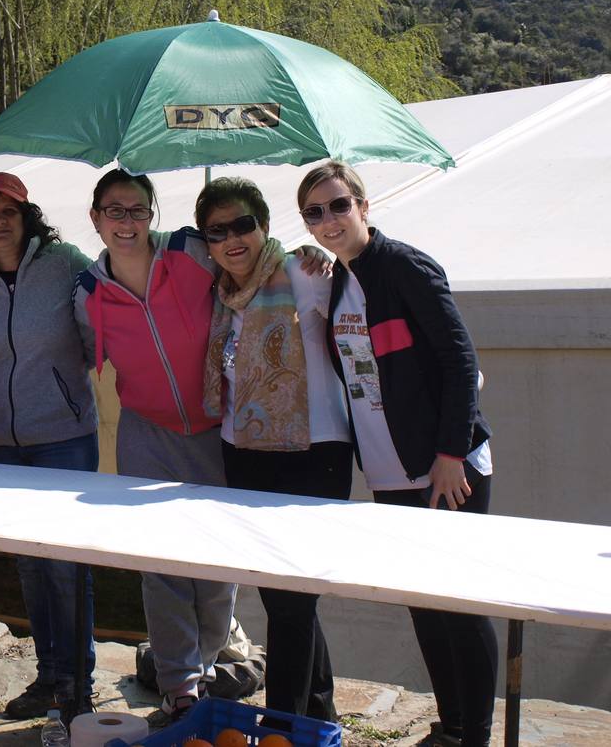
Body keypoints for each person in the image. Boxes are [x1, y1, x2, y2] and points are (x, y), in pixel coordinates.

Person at [297, 161, 496, 747]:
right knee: (423, 605)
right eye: (314, 212)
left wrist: (450, 454)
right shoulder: (339, 280)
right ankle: (452, 726)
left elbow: (460, 360)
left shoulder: (404, 266)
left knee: (459, 604)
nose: (329, 220)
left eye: (339, 205)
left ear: (363, 205)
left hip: (443, 466)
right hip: (389, 469)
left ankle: (475, 736)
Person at [72, 168, 237, 726]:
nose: (127, 222)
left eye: (138, 210)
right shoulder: (88, 293)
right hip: (146, 434)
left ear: (152, 214)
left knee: (217, 560)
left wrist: (304, 256)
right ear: (96, 218)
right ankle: (180, 685)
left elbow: (252, 261)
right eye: (114, 211)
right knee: (161, 564)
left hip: (217, 427)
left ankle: (206, 664)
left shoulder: (192, 251)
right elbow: (79, 353)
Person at [197, 177, 352, 722]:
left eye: (242, 225)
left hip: (313, 451)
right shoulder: (221, 293)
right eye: (217, 231)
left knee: (292, 596)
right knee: (284, 596)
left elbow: (359, 322)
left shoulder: (303, 274)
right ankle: (319, 715)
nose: (231, 239)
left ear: (264, 225)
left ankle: (283, 722)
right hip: (244, 452)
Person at [0, 172, 97, 721]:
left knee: (67, 565)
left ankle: (78, 684)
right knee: (31, 565)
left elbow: (99, 324)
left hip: (64, 436)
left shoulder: (66, 262)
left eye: (9, 210)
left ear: (27, 217)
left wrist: (68, 384)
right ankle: (49, 676)